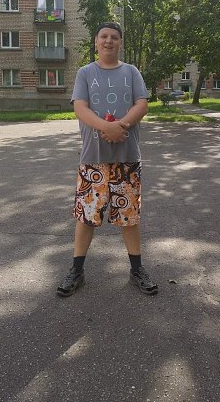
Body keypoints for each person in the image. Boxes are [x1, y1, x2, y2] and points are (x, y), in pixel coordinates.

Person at [57, 22, 158, 297]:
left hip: (127, 158)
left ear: (120, 42)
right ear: (96, 41)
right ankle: (76, 271)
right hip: (93, 158)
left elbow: (142, 104)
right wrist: (106, 127)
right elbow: (80, 107)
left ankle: (136, 270)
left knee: (129, 217)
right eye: (104, 36)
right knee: (86, 217)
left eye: (114, 37)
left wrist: (121, 126)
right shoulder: (85, 73)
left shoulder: (132, 71)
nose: (108, 41)